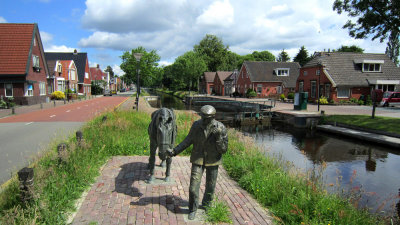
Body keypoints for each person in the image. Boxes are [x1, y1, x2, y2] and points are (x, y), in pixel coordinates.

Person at [167, 105, 228, 220]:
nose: (204, 120)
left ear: (213, 117)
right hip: (198, 159)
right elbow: (187, 141)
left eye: (207, 118)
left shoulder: (220, 128)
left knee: (210, 186)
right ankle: (193, 209)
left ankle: (206, 205)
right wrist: (174, 151)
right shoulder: (196, 125)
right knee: (193, 187)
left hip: (213, 160)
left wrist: (218, 137)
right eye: (203, 117)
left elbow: (224, 150)